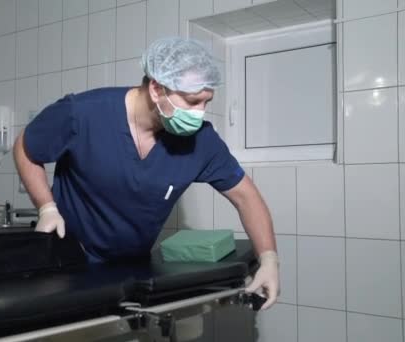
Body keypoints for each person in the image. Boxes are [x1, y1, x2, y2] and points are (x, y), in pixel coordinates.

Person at [14, 37, 279, 310]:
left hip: (131, 272)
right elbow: (25, 147)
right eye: (192, 101)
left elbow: (247, 196)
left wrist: (269, 259)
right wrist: (46, 207)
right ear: (156, 88)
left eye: (206, 102)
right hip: (66, 262)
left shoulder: (202, 142)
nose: (199, 113)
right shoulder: (84, 113)